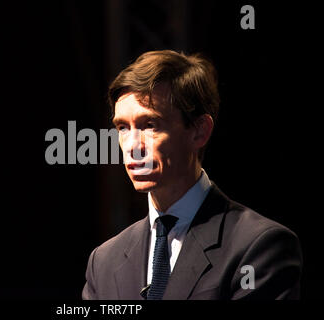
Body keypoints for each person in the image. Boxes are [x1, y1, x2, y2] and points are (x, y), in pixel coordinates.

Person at [82, 50, 302, 300]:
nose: (132, 144)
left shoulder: (258, 247)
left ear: (199, 131)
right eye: (123, 127)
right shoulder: (103, 262)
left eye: (150, 125)